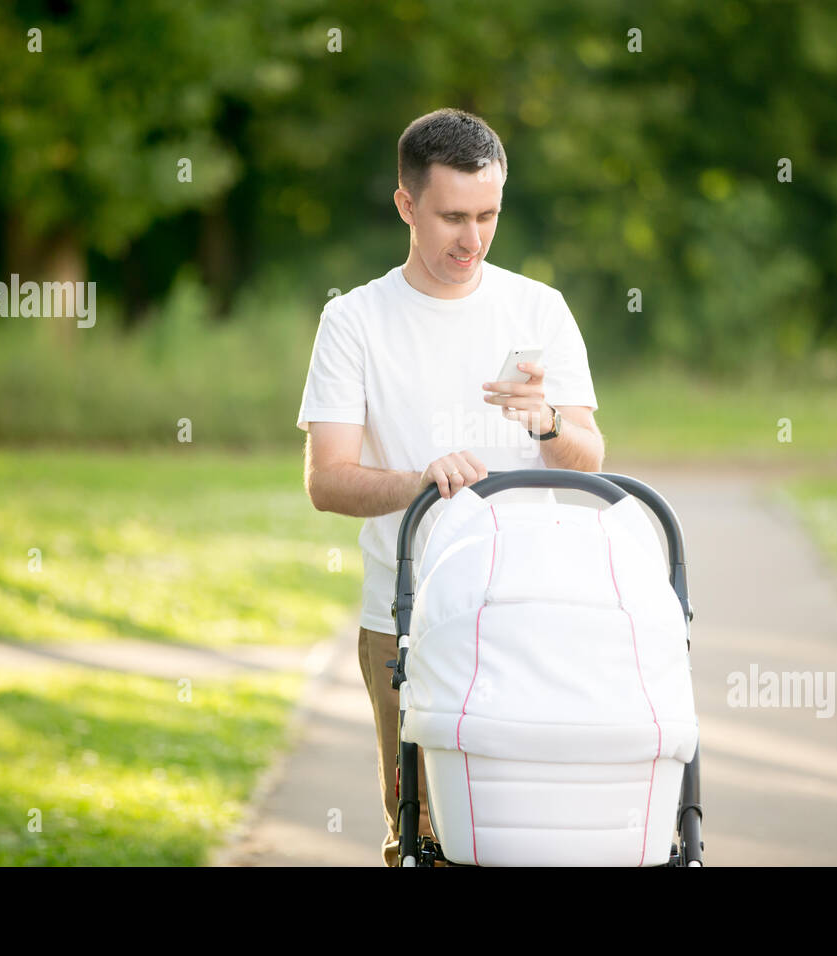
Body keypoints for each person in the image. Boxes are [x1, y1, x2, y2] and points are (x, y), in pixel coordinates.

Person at [296, 107, 604, 866]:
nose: (472, 239)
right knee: (425, 836)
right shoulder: (354, 321)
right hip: (404, 616)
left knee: (534, 830)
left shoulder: (539, 307)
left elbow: (589, 456)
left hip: (533, 609)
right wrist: (419, 482)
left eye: (489, 215)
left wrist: (545, 421)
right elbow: (326, 481)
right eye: (453, 217)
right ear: (406, 205)